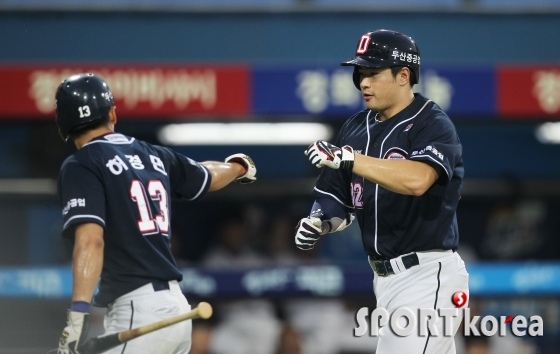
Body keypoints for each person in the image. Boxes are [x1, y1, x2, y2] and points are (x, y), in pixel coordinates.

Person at [55, 73, 256, 354]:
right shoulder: (153, 155)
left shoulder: (81, 163)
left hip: (137, 309)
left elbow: (90, 241)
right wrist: (238, 167)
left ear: (63, 124)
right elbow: (208, 174)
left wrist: (77, 318)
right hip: (176, 309)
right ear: (113, 112)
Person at [295, 29, 469, 354]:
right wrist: (320, 220)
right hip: (385, 281)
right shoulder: (355, 127)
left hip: (427, 273)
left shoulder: (432, 122)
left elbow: (418, 180)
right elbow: (337, 199)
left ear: (404, 75)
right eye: (361, 73)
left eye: (373, 73)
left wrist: (350, 159)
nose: (363, 82)